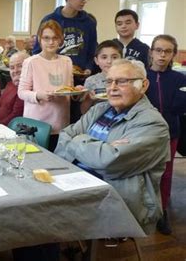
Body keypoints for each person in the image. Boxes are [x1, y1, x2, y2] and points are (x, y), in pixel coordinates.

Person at [55, 59, 170, 234]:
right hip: (79, 185)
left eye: (122, 81)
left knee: (39, 219)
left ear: (144, 85)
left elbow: (108, 162)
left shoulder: (153, 124)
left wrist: (78, 140)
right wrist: (102, 147)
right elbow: (64, 136)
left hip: (115, 201)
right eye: (109, 81)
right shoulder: (99, 109)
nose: (112, 87)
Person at [146, 35, 186, 234]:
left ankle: (162, 211)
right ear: (151, 52)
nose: (162, 55)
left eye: (167, 51)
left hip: (170, 132)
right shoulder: (141, 77)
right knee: (142, 170)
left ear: (173, 54)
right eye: (158, 50)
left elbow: (181, 106)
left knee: (165, 172)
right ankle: (141, 209)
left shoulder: (180, 78)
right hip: (144, 133)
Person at [18, 20, 73, 151]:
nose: (51, 42)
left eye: (55, 38)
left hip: (60, 121)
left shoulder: (67, 61)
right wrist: (38, 95)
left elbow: (69, 89)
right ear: (39, 39)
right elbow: (21, 91)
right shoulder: (31, 62)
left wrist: (78, 93)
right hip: (37, 123)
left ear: (61, 40)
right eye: (46, 38)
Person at [33, 0, 97, 77]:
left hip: (80, 78)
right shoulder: (49, 20)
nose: (84, 1)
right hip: (54, 76)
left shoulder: (89, 22)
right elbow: (38, 50)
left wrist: (89, 68)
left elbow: (92, 50)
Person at [81, 40, 122, 114]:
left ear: (121, 59)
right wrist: (89, 99)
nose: (109, 61)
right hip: (97, 120)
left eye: (114, 57)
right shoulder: (91, 81)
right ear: (96, 61)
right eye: (104, 57)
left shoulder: (127, 80)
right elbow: (84, 111)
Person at [0, 52, 28, 125]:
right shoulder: (10, 85)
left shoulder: (26, 90)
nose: (15, 71)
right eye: (12, 67)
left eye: (20, 66)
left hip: (7, 129)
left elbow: (15, 117)